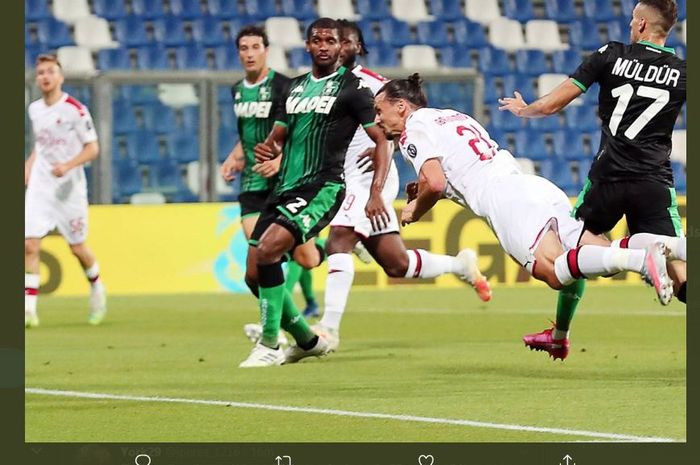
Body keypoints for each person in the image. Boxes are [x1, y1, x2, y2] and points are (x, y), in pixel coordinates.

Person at [374, 74, 684, 360]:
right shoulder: (452, 115)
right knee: (596, 255)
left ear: (401, 106)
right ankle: (671, 250)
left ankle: (641, 262)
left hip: (505, 202)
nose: (377, 118)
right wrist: (428, 186)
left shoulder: (413, 128)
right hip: (531, 185)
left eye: (380, 109)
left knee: (553, 272)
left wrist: (415, 208)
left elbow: (437, 182)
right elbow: (450, 172)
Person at [498, 0, 686, 356]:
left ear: (643, 24)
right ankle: (651, 258)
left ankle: (560, 335)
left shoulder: (611, 55)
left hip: (608, 179)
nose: (630, 26)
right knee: (682, 277)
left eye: (633, 20)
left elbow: (554, 103)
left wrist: (526, 109)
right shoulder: (682, 70)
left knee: (575, 254)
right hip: (653, 183)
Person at [312, 20, 491, 351]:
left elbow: (392, 126)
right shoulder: (322, 85)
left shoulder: (371, 85)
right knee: (397, 264)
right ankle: (457, 265)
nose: (341, 47)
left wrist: (383, 148)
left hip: (368, 175)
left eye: (347, 42)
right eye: (337, 42)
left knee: (338, 241)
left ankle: (328, 328)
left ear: (356, 47)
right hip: (343, 176)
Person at [239, 18, 390, 367]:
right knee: (253, 273)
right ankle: (307, 341)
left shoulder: (353, 89)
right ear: (307, 46)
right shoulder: (291, 88)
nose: (323, 45)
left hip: (323, 187)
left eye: (330, 40)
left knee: (268, 250)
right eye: (317, 39)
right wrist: (269, 151)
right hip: (283, 188)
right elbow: (276, 138)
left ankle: (270, 343)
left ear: (340, 47)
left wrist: (376, 192)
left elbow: (381, 138)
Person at [219, 26, 320, 327]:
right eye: (244, 48)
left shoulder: (285, 87)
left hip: (284, 182)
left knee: (308, 259)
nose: (249, 53)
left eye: (255, 47)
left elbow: (299, 135)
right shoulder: (237, 90)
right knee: (258, 263)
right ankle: (280, 329)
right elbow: (249, 134)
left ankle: (340, 245)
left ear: (266, 50)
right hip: (251, 184)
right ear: (238, 53)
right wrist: (235, 156)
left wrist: (279, 160)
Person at [25, 54, 107, 327]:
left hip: (69, 188)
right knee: (29, 243)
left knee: (77, 247)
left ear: (60, 77)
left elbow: (93, 148)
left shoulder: (75, 109)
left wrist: (69, 165)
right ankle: (28, 310)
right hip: (41, 185)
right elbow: (42, 144)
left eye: (50, 72)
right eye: (41, 73)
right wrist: (30, 163)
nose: (45, 77)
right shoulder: (34, 109)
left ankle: (96, 286)